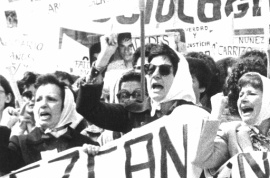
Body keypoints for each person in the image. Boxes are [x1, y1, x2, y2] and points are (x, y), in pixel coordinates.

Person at [192, 72, 270, 169]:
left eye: (251, 94)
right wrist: (215, 116)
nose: (242, 99)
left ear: (269, 101)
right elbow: (202, 160)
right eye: (241, 95)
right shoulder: (231, 133)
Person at [77, 42, 209, 134]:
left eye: (164, 70)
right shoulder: (133, 113)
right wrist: (103, 59)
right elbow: (87, 107)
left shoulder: (199, 116)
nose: (155, 75)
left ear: (178, 77)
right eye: (149, 69)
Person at [0, 75, 97, 174]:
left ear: (65, 106)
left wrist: (93, 156)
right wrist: (4, 126)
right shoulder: (20, 144)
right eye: (38, 100)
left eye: (51, 99)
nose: (43, 104)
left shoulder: (85, 144)